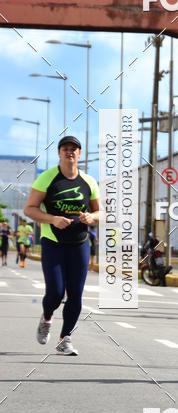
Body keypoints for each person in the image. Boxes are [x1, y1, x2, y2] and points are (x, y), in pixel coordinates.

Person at [23, 135, 100, 355]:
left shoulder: (89, 181)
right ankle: (47, 318)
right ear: (59, 153)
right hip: (53, 241)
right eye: (65, 148)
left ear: (80, 153)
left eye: (74, 149)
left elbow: (100, 211)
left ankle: (65, 339)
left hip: (80, 242)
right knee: (56, 293)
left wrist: (92, 218)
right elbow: (29, 208)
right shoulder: (47, 179)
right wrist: (52, 219)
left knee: (75, 294)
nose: (70, 152)